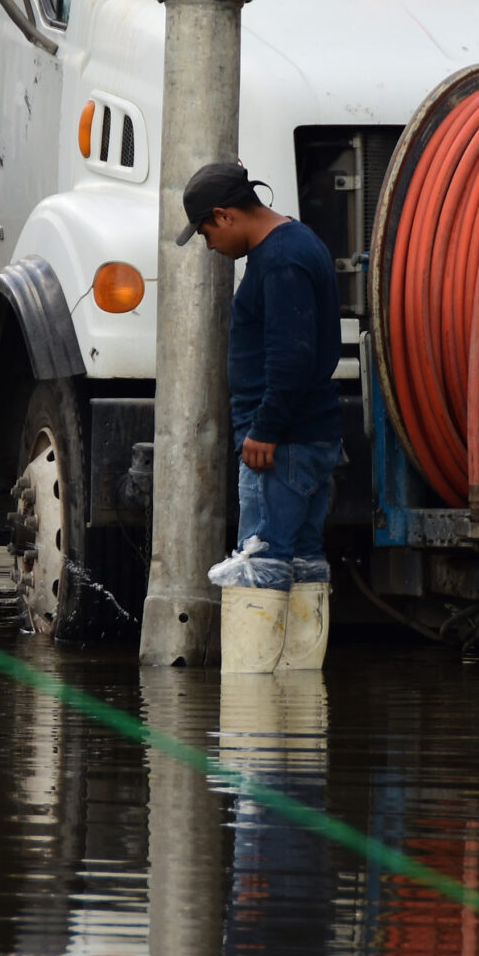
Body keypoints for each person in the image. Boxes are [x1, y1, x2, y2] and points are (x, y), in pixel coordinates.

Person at [182, 160, 340, 666]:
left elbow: (290, 354)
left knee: (262, 562)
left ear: (224, 216)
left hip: (283, 443)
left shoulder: (280, 260)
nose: (208, 245)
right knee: (303, 562)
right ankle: (296, 704)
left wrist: (264, 429)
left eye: (206, 232)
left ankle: (250, 718)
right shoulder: (298, 243)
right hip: (310, 436)